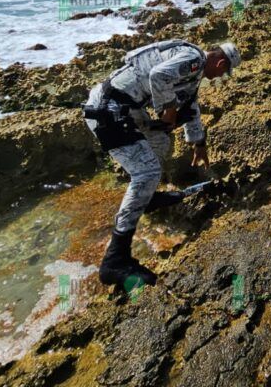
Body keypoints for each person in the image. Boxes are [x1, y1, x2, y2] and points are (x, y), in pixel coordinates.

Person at [82, 39, 241, 287]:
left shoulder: (194, 70)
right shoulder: (193, 59)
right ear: (220, 63)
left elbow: (190, 106)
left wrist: (198, 143)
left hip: (126, 110)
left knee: (160, 142)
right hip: (107, 111)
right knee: (146, 173)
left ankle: (146, 198)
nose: (220, 76)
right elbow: (158, 75)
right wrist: (168, 109)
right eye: (223, 72)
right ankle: (115, 260)